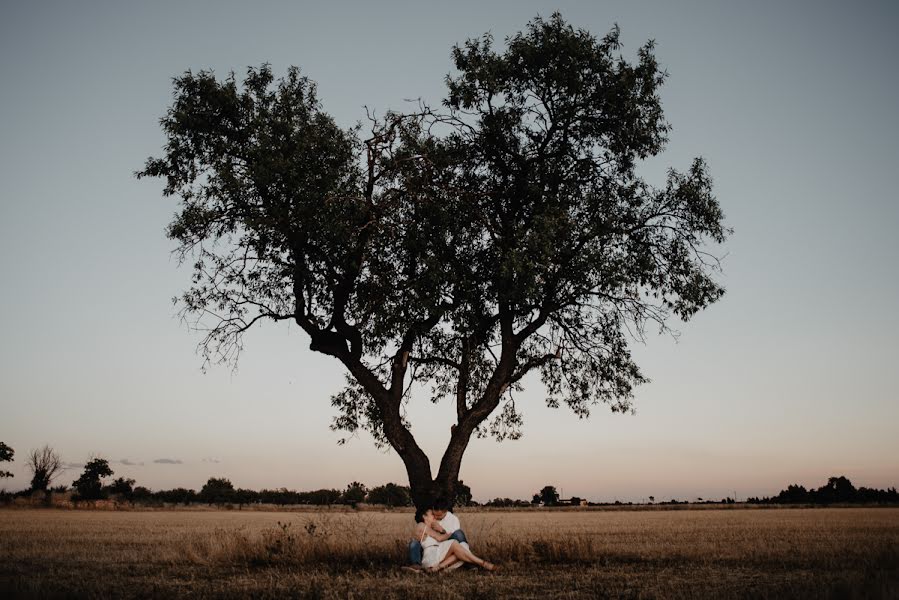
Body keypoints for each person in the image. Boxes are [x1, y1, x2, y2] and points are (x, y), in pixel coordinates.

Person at [412, 507, 496, 572]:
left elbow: (441, 537)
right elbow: (440, 538)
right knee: (455, 543)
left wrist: (441, 529)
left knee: (462, 547)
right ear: (424, 516)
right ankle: (482, 563)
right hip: (431, 557)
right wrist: (450, 532)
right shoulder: (421, 525)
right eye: (432, 514)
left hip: (439, 555)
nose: (434, 516)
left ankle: (438, 569)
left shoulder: (433, 527)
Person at [406, 497, 470, 569]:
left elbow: (448, 537)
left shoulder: (453, 519)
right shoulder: (425, 522)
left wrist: (442, 530)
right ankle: (416, 564)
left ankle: (467, 559)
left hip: (445, 545)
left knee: (459, 534)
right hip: (429, 547)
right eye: (434, 514)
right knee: (414, 542)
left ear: (445, 512)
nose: (435, 517)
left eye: (438, 516)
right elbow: (422, 531)